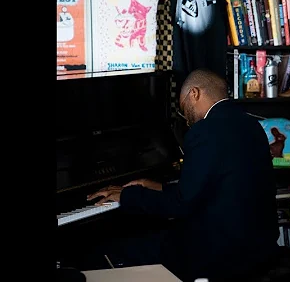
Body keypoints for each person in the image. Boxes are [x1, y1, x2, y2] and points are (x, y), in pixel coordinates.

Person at [86, 68, 279, 281]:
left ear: (194, 93)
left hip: (222, 252)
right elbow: (213, 186)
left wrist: (126, 196)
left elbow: (182, 204)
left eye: (183, 107)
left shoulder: (205, 130)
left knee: (105, 251)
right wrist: (156, 186)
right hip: (259, 246)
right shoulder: (250, 124)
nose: (185, 118)